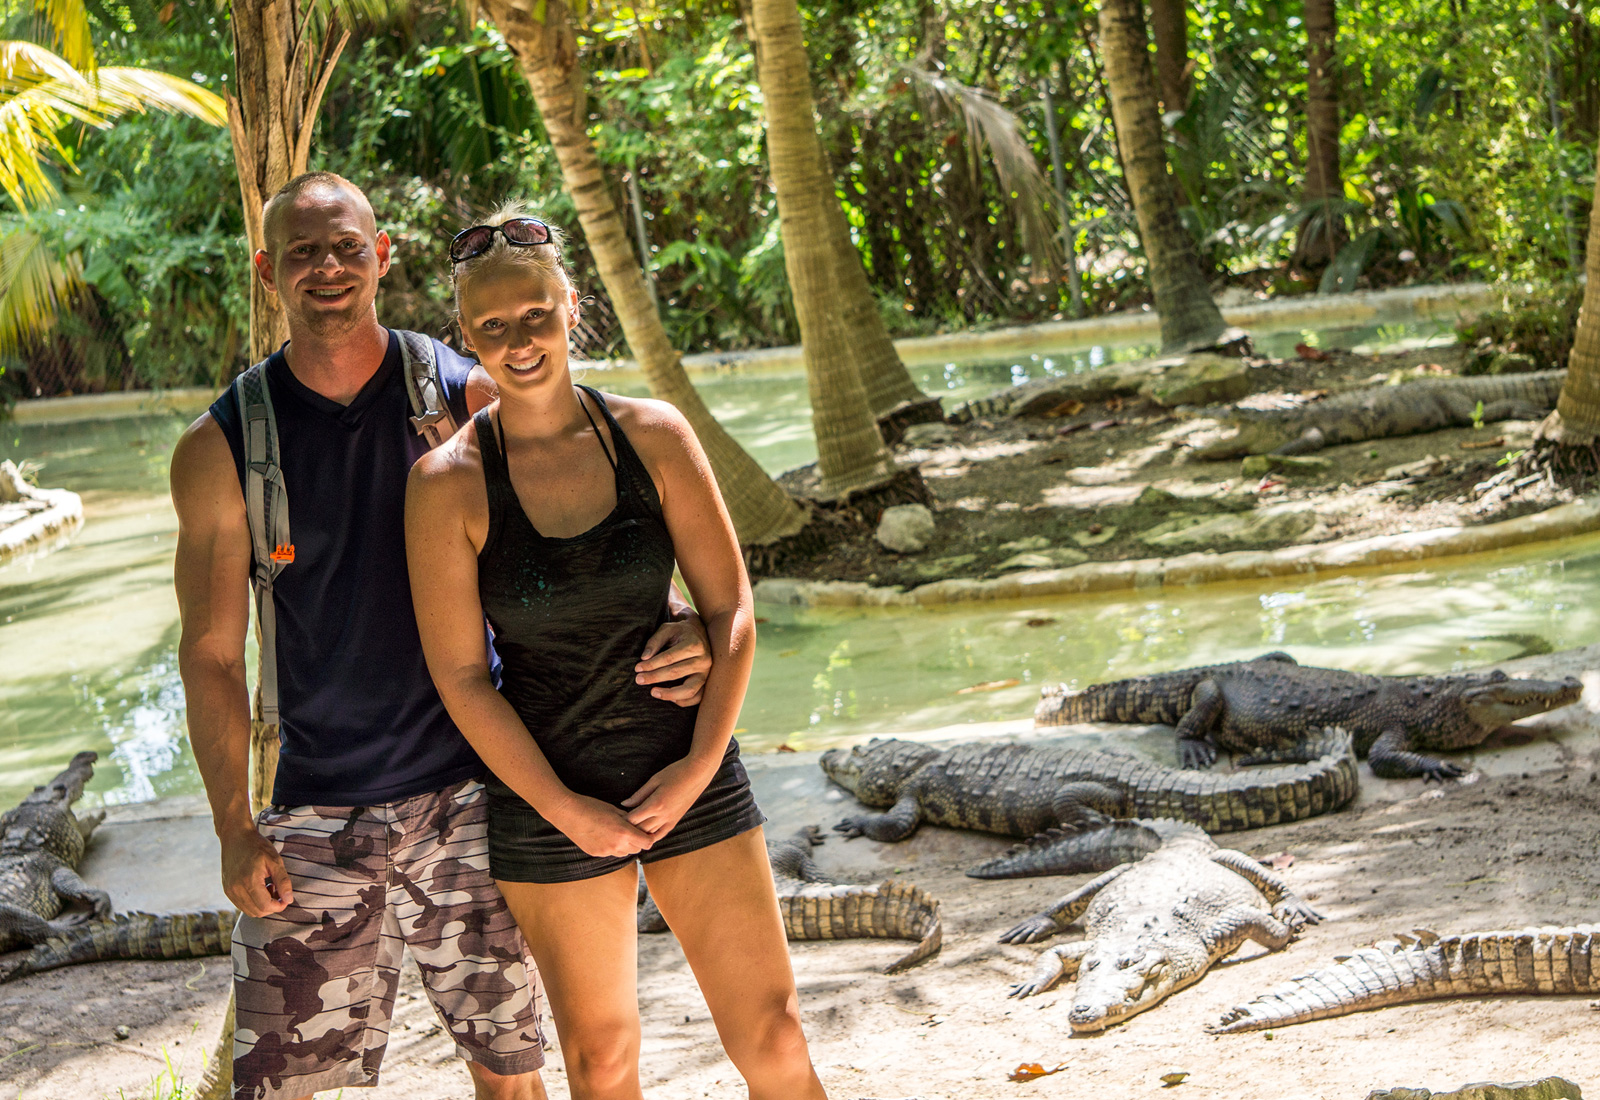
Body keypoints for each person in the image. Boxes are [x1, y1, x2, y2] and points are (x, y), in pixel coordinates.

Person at [170, 173, 712, 1100]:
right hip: (315, 806)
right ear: (269, 273)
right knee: (279, 1087)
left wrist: (688, 616)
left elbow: (596, 514)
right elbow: (214, 654)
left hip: (480, 791)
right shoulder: (224, 447)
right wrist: (232, 826)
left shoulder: (463, 396)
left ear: (382, 256)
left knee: (512, 1073)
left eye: (347, 246)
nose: (329, 267)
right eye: (303, 251)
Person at [405, 205, 830, 1100]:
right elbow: (460, 678)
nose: (519, 340)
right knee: (602, 1064)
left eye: (535, 314)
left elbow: (732, 610)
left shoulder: (655, 434)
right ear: (466, 337)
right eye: (492, 326)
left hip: (687, 764)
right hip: (547, 797)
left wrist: (696, 768)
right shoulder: (446, 484)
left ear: (570, 308)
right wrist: (565, 809)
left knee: (775, 1039)